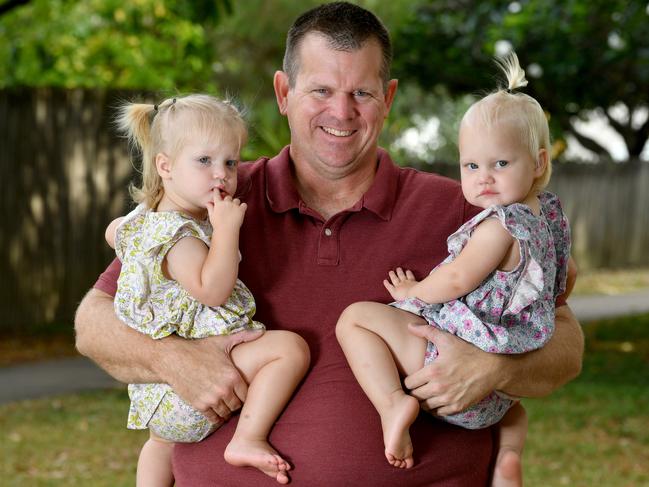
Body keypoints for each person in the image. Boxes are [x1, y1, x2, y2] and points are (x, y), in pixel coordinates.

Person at [75, 3, 583, 485]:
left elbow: (565, 340)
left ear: (388, 99)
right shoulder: (210, 201)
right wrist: (172, 360)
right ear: (283, 92)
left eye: (361, 93)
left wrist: (494, 366)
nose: (340, 112)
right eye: (320, 90)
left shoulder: (469, 207)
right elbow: (92, 322)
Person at [335, 51, 571, 479]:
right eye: (471, 165)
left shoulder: (499, 225)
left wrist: (414, 292)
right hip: (501, 391)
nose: (484, 177)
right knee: (513, 415)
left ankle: (392, 405)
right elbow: (565, 278)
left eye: (500, 164)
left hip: (449, 364)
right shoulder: (549, 219)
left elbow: (459, 275)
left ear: (538, 163)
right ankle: (508, 457)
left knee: (355, 320)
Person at [105, 94, 310, 486]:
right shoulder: (179, 235)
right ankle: (248, 438)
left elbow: (112, 232)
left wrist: (126, 238)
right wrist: (228, 231)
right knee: (289, 350)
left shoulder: (144, 220)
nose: (222, 174)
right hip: (196, 386)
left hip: (159, 399)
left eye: (230, 162)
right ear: (164, 166)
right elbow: (212, 290)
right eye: (204, 161)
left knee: (159, 445)